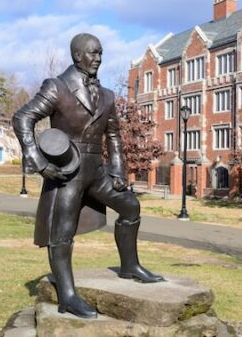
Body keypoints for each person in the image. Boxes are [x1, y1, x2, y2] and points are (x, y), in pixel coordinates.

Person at [13, 33, 163, 319]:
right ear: (77, 55)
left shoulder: (106, 95)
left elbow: (114, 136)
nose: (98, 58)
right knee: (62, 231)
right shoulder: (56, 87)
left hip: (97, 171)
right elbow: (23, 118)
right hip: (68, 171)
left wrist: (117, 169)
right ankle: (67, 295)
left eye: (101, 53)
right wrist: (38, 161)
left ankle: (130, 266)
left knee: (131, 206)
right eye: (93, 53)